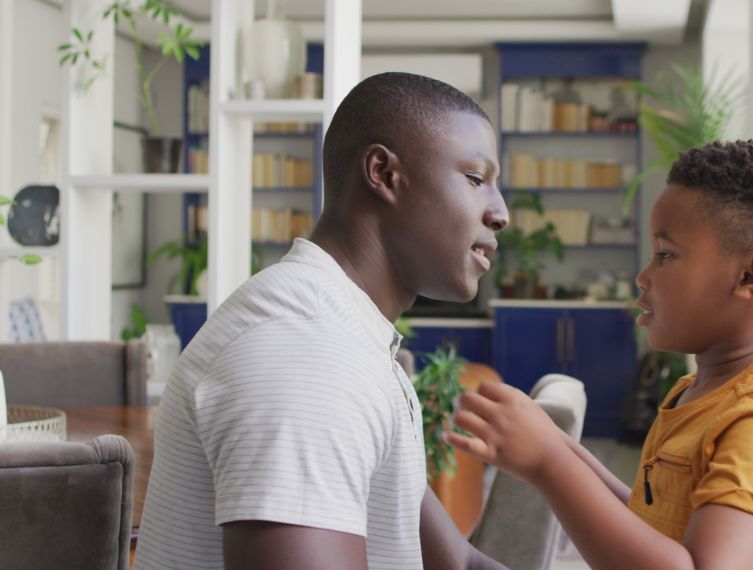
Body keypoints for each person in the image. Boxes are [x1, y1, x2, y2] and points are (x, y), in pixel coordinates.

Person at [135, 72, 509, 570]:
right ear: (383, 172)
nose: (501, 213)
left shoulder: (344, 335)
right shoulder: (307, 351)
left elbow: (459, 562)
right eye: (475, 179)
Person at [447, 140, 753, 569]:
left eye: (666, 255)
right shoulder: (694, 392)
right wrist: (556, 447)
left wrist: (550, 462)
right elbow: (650, 524)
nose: (643, 276)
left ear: (752, 275)